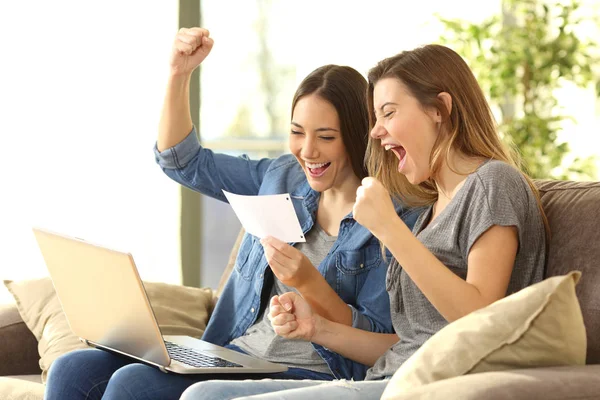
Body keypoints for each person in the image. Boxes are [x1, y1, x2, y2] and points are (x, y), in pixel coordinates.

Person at [44, 28, 420, 400]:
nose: (307, 151)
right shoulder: (281, 178)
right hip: (236, 354)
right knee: (72, 368)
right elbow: (182, 161)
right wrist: (179, 74)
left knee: (132, 385)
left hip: (311, 371)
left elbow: (380, 337)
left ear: (356, 136)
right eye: (296, 132)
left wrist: (308, 282)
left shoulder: (392, 216)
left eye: (325, 137)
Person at [179, 44, 550, 400]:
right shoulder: (433, 208)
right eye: (376, 118)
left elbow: (479, 320)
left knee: (206, 396)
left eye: (388, 113)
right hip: (391, 376)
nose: (375, 132)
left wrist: (389, 229)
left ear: (440, 108)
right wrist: (317, 328)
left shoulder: (494, 182)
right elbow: (407, 344)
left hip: (430, 386)